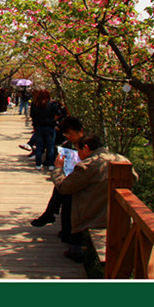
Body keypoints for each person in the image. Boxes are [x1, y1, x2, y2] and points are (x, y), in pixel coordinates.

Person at [50, 134, 137, 263]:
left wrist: (58, 169)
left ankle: (75, 247)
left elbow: (64, 187)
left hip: (93, 214)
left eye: (78, 150)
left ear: (85, 148)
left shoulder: (89, 165)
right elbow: (134, 178)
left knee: (68, 199)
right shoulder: (121, 159)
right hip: (118, 214)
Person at [30, 116, 85, 246]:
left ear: (81, 131)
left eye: (71, 134)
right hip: (74, 178)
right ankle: (52, 217)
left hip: (84, 181)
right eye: (66, 134)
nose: (69, 137)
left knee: (66, 196)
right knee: (62, 189)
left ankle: (52, 217)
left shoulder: (88, 145)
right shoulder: (68, 145)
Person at [29, 89, 62, 170]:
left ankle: (38, 164)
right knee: (50, 146)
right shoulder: (51, 104)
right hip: (50, 127)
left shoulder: (35, 104)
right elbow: (59, 113)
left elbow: (31, 115)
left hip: (39, 127)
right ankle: (51, 165)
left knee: (39, 146)